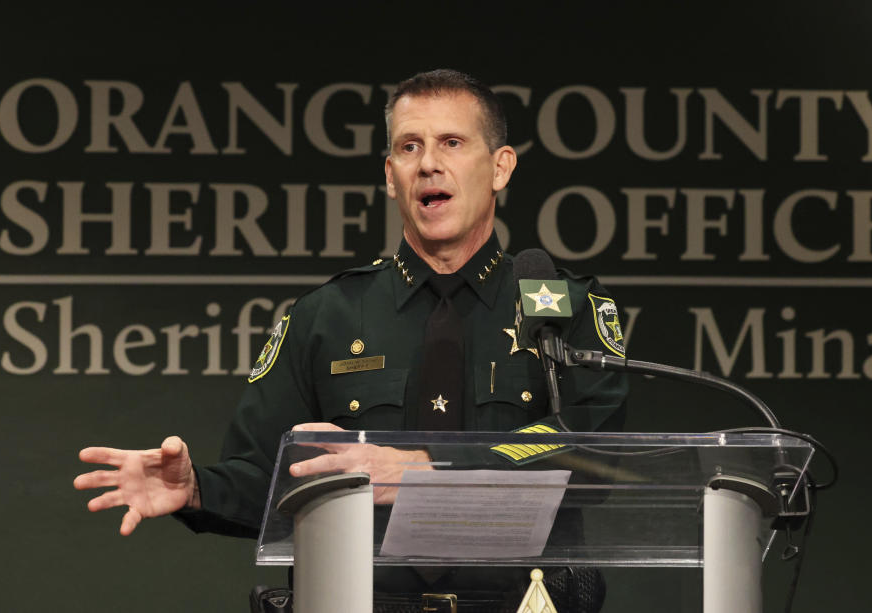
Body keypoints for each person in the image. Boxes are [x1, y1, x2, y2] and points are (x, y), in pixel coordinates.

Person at [75, 69, 628, 611]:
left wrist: (424, 469)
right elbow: (268, 476)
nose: (429, 163)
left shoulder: (563, 308)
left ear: (500, 167)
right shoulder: (327, 316)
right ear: (391, 176)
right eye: (409, 148)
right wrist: (196, 489)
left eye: (452, 142)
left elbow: (592, 450)